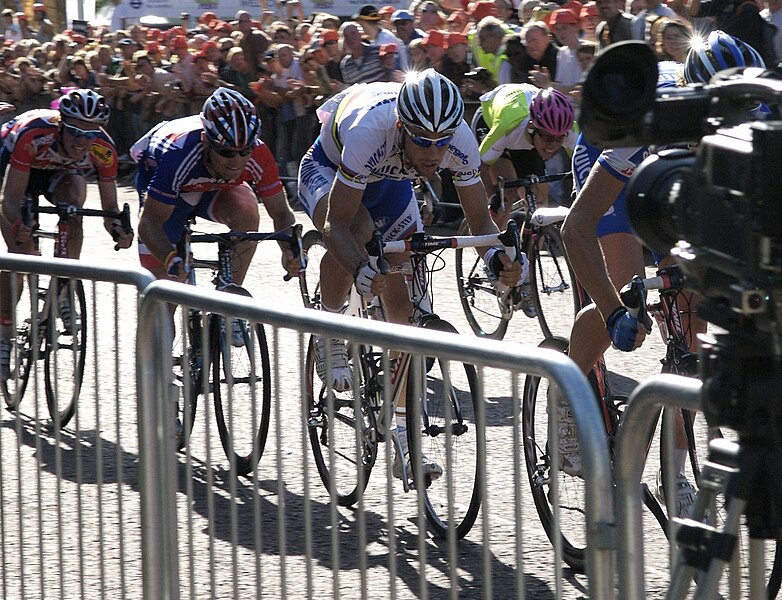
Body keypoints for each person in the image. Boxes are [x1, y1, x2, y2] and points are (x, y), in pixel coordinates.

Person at [297, 69, 524, 479]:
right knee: (360, 232)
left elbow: (478, 219)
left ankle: (402, 436)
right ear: (403, 125)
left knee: (402, 306)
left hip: (390, 182)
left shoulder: (460, 141)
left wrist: (496, 263)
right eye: (422, 140)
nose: (433, 153)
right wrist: (361, 268)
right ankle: (328, 329)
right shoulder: (371, 129)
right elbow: (336, 226)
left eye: (441, 142)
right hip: (331, 170)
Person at [0, 89, 134, 379]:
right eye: (74, 132)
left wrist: (119, 230)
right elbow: (10, 198)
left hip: (57, 173)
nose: (81, 141)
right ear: (61, 124)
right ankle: (4, 329)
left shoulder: (102, 148)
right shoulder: (35, 133)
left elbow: (110, 209)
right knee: (20, 256)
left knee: (74, 205)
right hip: (15, 167)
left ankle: (63, 285)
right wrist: (18, 227)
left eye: (89, 134)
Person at [132, 88, 298, 318]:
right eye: (227, 152)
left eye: (244, 151)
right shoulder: (178, 154)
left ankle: (226, 305)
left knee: (248, 211)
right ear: (205, 141)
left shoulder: (259, 153)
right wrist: (171, 258)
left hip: (214, 186)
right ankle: (159, 345)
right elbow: (149, 223)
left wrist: (290, 251)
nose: (237, 161)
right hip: (168, 190)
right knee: (167, 297)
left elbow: (280, 212)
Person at [471, 84, 577, 317]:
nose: (552, 146)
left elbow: (584, 164)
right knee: (505, 196)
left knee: (541, 204)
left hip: (526, 141)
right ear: (533, 128)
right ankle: (492, 258)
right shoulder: (509, 127)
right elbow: (480, 164)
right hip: (492, 125)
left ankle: (525, 274)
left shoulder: (566, 128)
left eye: (559, 140)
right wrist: (492, 197)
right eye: (548, 138)